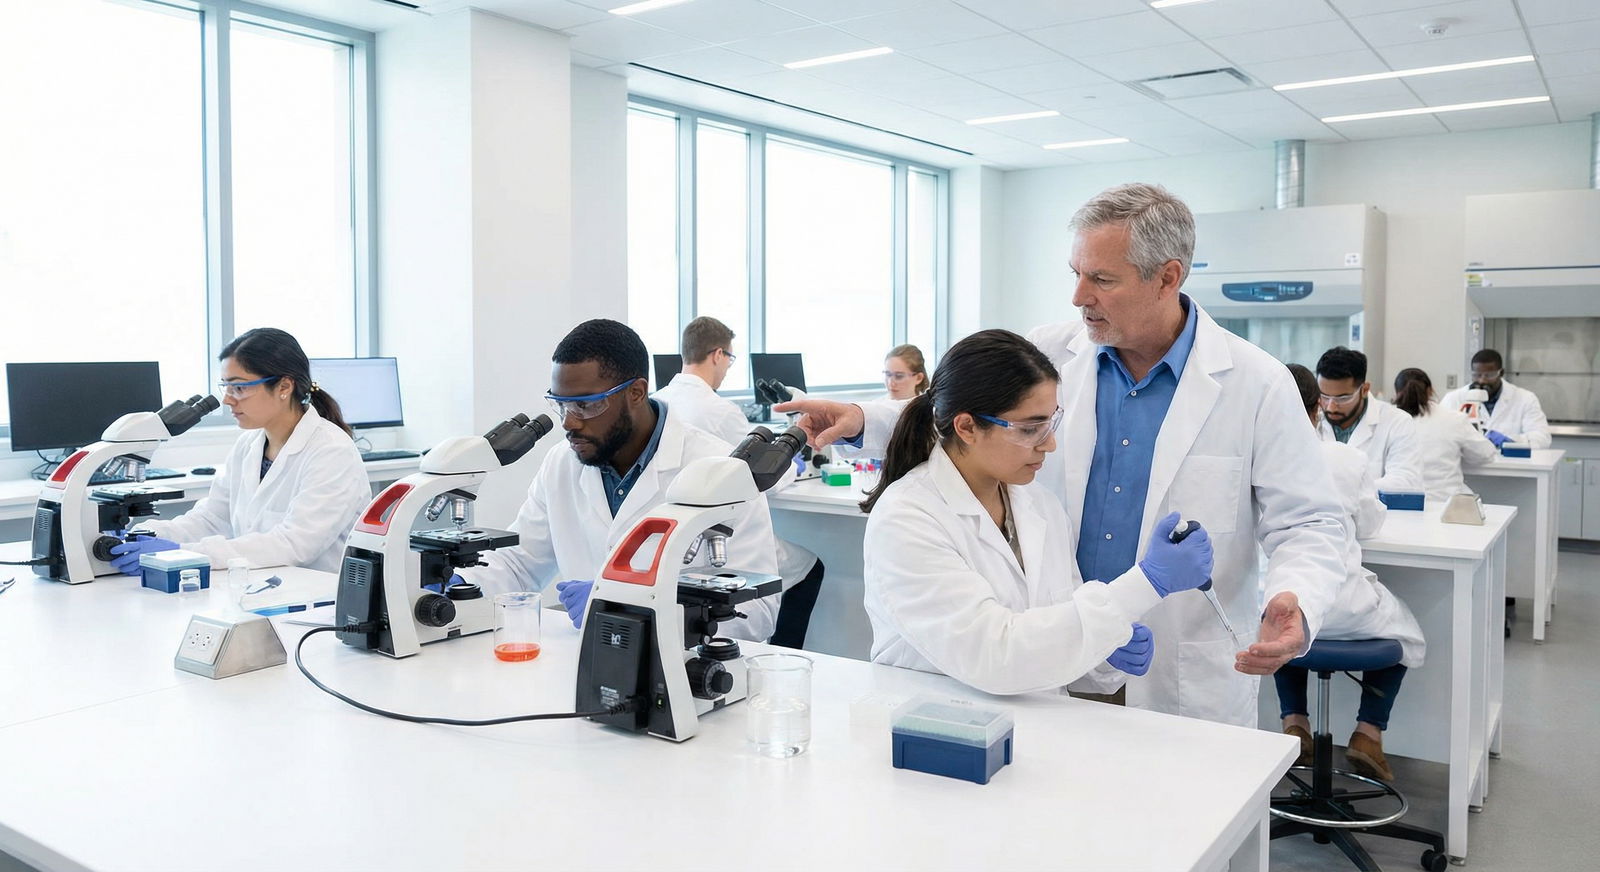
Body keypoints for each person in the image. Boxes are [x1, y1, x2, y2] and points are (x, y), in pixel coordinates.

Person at [778, 182, 1348, 728]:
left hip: (1174, 662)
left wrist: (1295, 595)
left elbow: (1311, 520)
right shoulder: (1052, 351)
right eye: (1076, 274)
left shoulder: (1256, 383)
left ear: (1167, 278)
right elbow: (966, 410)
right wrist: (863, 420)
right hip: (1042, 655)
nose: (1079, 296)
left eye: (1101, 278)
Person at [861, 329, 1214, 694]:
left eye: (1050, 422)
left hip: (1037, 731)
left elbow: (1053, 639)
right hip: (940, 732)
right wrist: (1144, 584)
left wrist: (1104, 652)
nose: (1049, 443)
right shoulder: (907, 517)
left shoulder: (1038, 505)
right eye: (1030, 428)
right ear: (966, 426)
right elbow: (997, 657)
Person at [459, 318, 781, 641]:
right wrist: (461, 585)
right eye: (561, 405)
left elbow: (758, 612)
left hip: (685, 676)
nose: (569, 422)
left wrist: (628, 611)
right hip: (589, 664)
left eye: (585, 405)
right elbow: (519, 563)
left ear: (636, 393)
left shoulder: (723, 472)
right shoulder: (561, 463)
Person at [108, 327, 371, 574]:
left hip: (316, 602)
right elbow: (212, 519)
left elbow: (294, 544)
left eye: (240, 388)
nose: (227, 399)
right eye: (226, 386)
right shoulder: (248, 445)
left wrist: (180, 553)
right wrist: (151, 534)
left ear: (284, 387)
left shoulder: (332, 451)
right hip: (260, 590)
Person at [1278, 364, 1425, 783]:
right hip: (1343, 609)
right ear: (1316, 410)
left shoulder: (1248, 455)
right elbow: (1369, 524)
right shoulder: (1343, 458)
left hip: (1275, 609)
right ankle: (1367, 732)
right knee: (1406, 634)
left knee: (1282, 620)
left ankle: (1294, 723)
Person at [652, 315, 822, 647]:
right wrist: (795, 464)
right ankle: (782, 658)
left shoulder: (657, 402)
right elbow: (767, 475)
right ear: (717, 355)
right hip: (719, 542)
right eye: (730, 359)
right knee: (810, 568)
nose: (728, 367)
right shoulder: (720, 410)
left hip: (670, 540)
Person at [1314, 346, 1424, 493]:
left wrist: (1341, 489)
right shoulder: (1311, 420)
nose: (1330, 407)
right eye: (1324, 396)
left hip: (1380, 515)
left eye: (1343, 398)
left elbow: (1404, 482)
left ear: (1365, 389)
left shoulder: (1397, 422)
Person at [1391, 367, 1496, 501]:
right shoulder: (1453, 419)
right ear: (1430, 391)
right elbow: (1485, 454)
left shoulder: (1387, 420)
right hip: (1446, 504)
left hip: (1398, 505)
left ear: (1396, 392)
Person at [1440, 348, 1552, 450]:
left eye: (1489, 375)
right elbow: (1439, 434)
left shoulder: (1525, 399)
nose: (1482, 381)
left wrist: (1510, 441)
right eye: (1477, 375)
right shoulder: (1454, 399)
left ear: (1501, 373)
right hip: (1467, 468)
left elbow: (1542, 438)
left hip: (1510, 468)